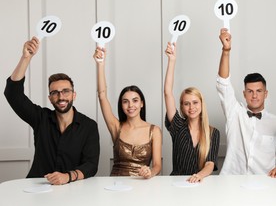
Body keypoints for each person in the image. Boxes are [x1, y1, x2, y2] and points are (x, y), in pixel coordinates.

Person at [4, 37, 100, 185]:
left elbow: (91, 165)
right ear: (50, 98)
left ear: (74, 95)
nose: (61, 97)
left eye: (66, 91)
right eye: (55, 92)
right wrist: (25, 58)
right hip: (37, 186)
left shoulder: (89, 126)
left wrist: (67, 176)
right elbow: (13, 94)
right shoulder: (40, 118)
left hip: (73, 188)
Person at [217, 28, 276, 177]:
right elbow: (223, 83)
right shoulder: (234, 112)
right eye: (250, 91)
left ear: (266, 94)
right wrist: (226, 51)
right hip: (231, 182)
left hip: (265, 183)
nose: (254, 96)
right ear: (244, 94)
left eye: (258, 91)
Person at [93, 47, 161, 178]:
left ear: (142, 103)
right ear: (121, 105)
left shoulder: (154, 131)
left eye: (135, 100)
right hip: (116, 186)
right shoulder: (116, 127)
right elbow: (102, 96)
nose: (131, 105)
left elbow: (157, 165)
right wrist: (100, 64)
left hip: (142, 187)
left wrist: (150, 172)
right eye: (125, 101)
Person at [164, 42, 220, 183]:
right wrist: (172, 60)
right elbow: (167, 93)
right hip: (176, 184)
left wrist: (199, 176)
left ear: (201, 104)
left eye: (195, 103)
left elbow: (210, 164)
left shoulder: (213, 132)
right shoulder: (177, 126)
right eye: (186, 104)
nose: (191, 107)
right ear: (182, 107)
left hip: (200, 183)